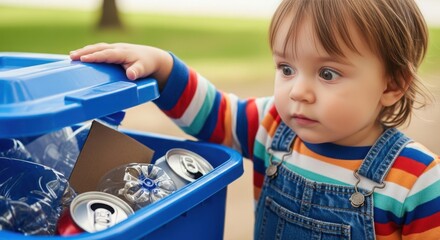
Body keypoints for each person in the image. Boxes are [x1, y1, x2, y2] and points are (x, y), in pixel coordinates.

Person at [70, 0, 440, 239]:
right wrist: (164, 69)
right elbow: (213, 114)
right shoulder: (271, 126)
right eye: (287, 68)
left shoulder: (416, 178)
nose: (298, 91)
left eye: (328, 73)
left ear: (391, 84)